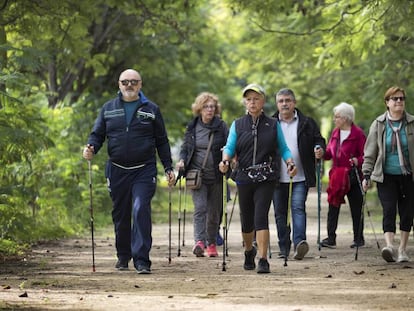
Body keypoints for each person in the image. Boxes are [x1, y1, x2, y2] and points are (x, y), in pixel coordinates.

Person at [82, 69, 175, 274]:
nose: (129, 85)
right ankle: (123, 256)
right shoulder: (108, 109)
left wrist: (168, 167)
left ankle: (142, 260)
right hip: (117, 169)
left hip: (144, 169)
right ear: (119, 84)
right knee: (121, 214)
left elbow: (162, 141)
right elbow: (97, 135)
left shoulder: (151, 109)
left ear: (140, 85)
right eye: (125, 82)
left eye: (134, 82)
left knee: (140, 208)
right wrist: (90, 148)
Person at [219, 83, 297, 274]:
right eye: (248, 99)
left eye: (256, 99)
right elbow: (229, 146)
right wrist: (225, 161)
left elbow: (284, 148)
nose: (252, 102)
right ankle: (248, 251)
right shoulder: (238, 124)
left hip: (266, 176)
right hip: (244, 176)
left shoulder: (273, 124)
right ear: (244, 102)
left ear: (263, 101)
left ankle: (263, 259)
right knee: (247, 220)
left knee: (261, 216)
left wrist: (289, 162)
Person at [272, 88, 326, 260]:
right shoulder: (271, 123)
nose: (284, 104)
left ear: (294, 103)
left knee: (297, 208)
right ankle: (283, 247)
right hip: (277, 177)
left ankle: (299, 244)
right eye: (281, 101)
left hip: (301, 176)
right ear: (277, 104)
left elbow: (319, 139)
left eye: (288, 100)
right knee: (280, 212)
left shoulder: (307, 122)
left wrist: (319, 149)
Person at [362, 86, 414, 263]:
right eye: (395, 99)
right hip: (386, 176)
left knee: (407, 212)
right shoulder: (379, 124)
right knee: (389, 210)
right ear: (387, 103)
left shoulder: (412, 123)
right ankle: (390, 247)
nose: (399, 101)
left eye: (401, 98)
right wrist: (366, 174)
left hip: (409, 176)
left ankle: (402, 250)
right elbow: (370, 152)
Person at [176, 92, 228, 258]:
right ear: (199, 109)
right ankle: (199, 242)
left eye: (212, 106)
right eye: (206, 106)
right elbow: (185, 148)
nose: (209, 110)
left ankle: (211, 243)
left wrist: (229, 161)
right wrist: (182, 161)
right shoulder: (192, 126)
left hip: (217, 174)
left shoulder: (221, 126)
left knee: (214, 212)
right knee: (200, 208)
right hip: (196, 174)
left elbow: (229, 145)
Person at [320, 102, 366, 249]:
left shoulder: (358, 134)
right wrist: (322, 154)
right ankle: (331, 238)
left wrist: (357, 160)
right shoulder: (335, 133)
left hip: (353, 175)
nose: (335, 120)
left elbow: (366, 155)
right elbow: (329, 154)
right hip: (337, 175)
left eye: (337, 117)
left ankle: (358, 238)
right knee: (333, 206)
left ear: (346, 118)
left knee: (356, 207)